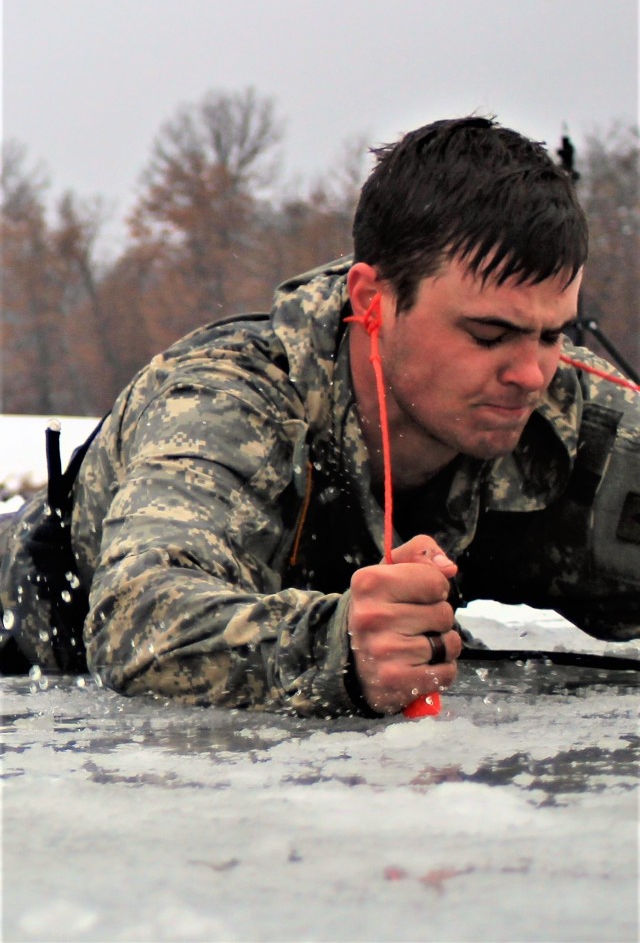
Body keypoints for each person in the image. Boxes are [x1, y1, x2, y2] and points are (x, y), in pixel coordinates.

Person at [1, 116, 638, 717]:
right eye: (489, 334)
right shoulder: (226, 402)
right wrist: (336, 649)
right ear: (373, 300)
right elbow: (140, 620)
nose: (531, 375)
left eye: (552, 336)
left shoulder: (571, 412)